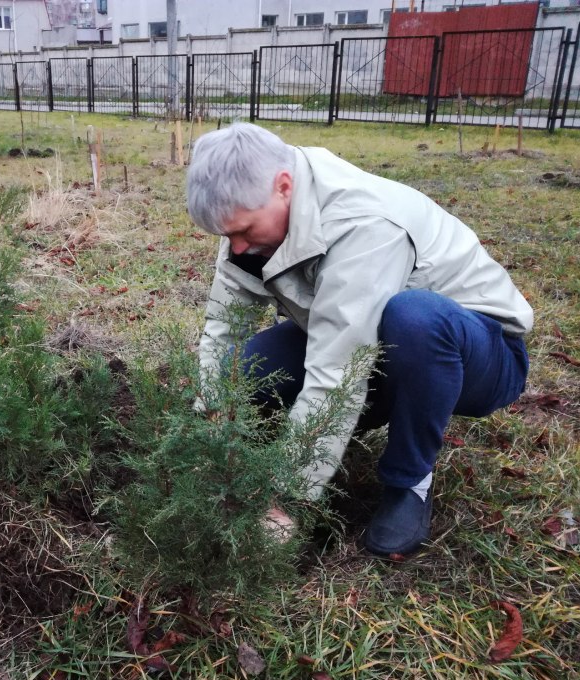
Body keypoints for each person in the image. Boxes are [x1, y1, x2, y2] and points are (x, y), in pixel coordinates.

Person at [186, 123, 532, 556]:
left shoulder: (364, 224)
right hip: (370, 342)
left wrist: (286, 497)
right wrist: (207, 424)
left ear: (284, 187)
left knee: (415, 317)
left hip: (479, 355)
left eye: (244, 231)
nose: (236, 248)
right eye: (227, 236)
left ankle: (409, 481)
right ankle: (327, 434)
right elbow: (222, 329)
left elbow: (336, 373)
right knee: (245, 367)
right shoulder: (254, 214)